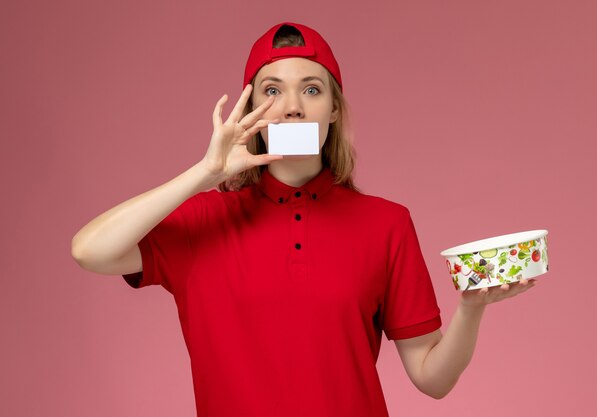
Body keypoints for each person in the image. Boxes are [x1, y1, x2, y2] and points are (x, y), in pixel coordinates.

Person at [71, 21, 537, 417]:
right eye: (272, 91)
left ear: (333, 109)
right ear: (254, 110)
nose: (292, 105)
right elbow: (89, 250)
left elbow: (432, 379)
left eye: (311, 90)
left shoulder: (386, 224)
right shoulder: (203, 222)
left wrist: (472, 309)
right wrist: (204, 174)